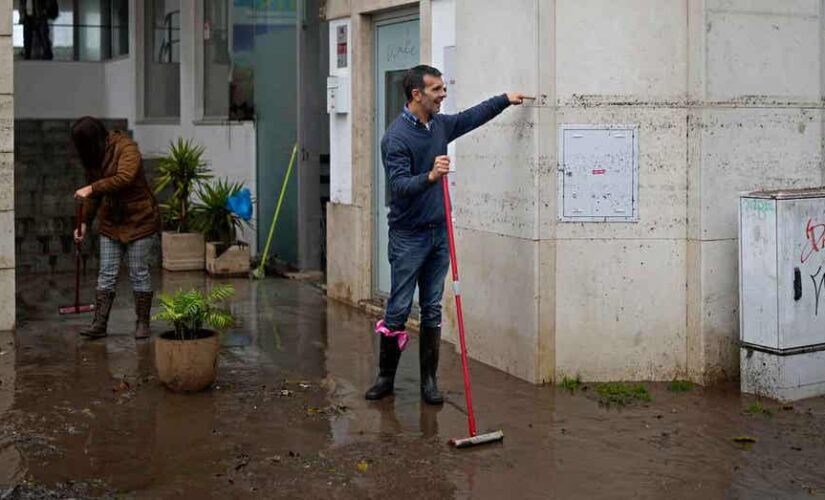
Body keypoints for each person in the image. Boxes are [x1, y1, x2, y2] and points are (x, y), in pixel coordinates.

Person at [365, 64, 529, 404]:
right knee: (397, 309)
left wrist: (503, 100)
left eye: (442, 88)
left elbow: (471, 117)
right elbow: (397, 185)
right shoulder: (395, 137)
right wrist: (430, 176)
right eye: (437, 90)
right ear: (417, 95)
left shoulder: (439, 125)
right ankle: (385, 379)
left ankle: (429, 383)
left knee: (432, 308)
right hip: (409, 236)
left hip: (440, 234)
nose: (443, 94)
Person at [71, 117, 161, 340]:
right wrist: (84, 223)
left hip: (140, 219)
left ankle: (142, 322)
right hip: (111, 222)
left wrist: (92, 187)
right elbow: (94, 196)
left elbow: (125, 178)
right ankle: (99, 323)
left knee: (139, 272)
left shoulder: (126, 148)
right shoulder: (94, 157)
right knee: (106, 274)